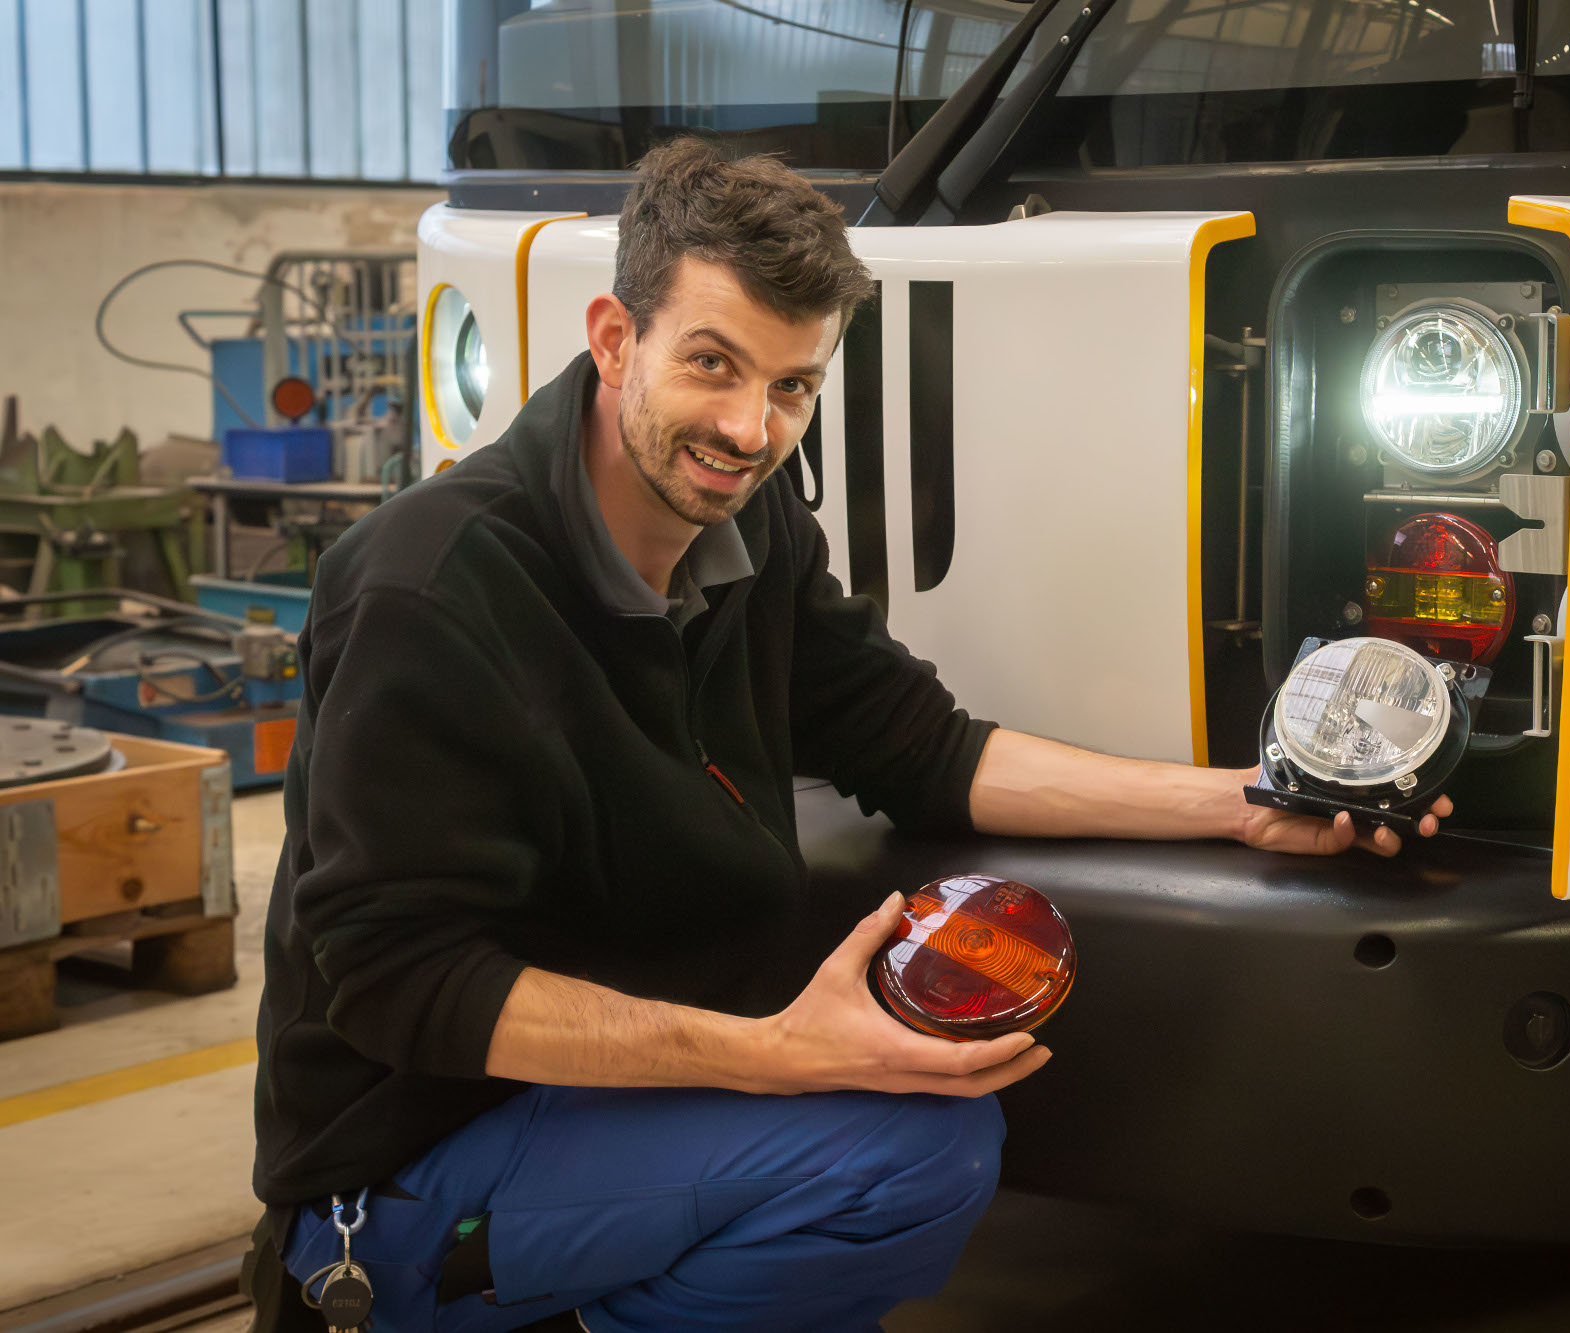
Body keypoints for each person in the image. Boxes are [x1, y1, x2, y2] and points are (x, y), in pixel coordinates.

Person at [245, 139, 1450, 1333]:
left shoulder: (754, 533)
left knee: (910, 1143)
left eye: (791, 387)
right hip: (409, 1176)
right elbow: (400, 985)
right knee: (890, 1157)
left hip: (601, 1122)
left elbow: (925, 750)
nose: (747, 428)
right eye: (711, 365)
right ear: (614, 340)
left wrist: (1245, 799)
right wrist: (776, 1055)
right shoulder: (430, 590)